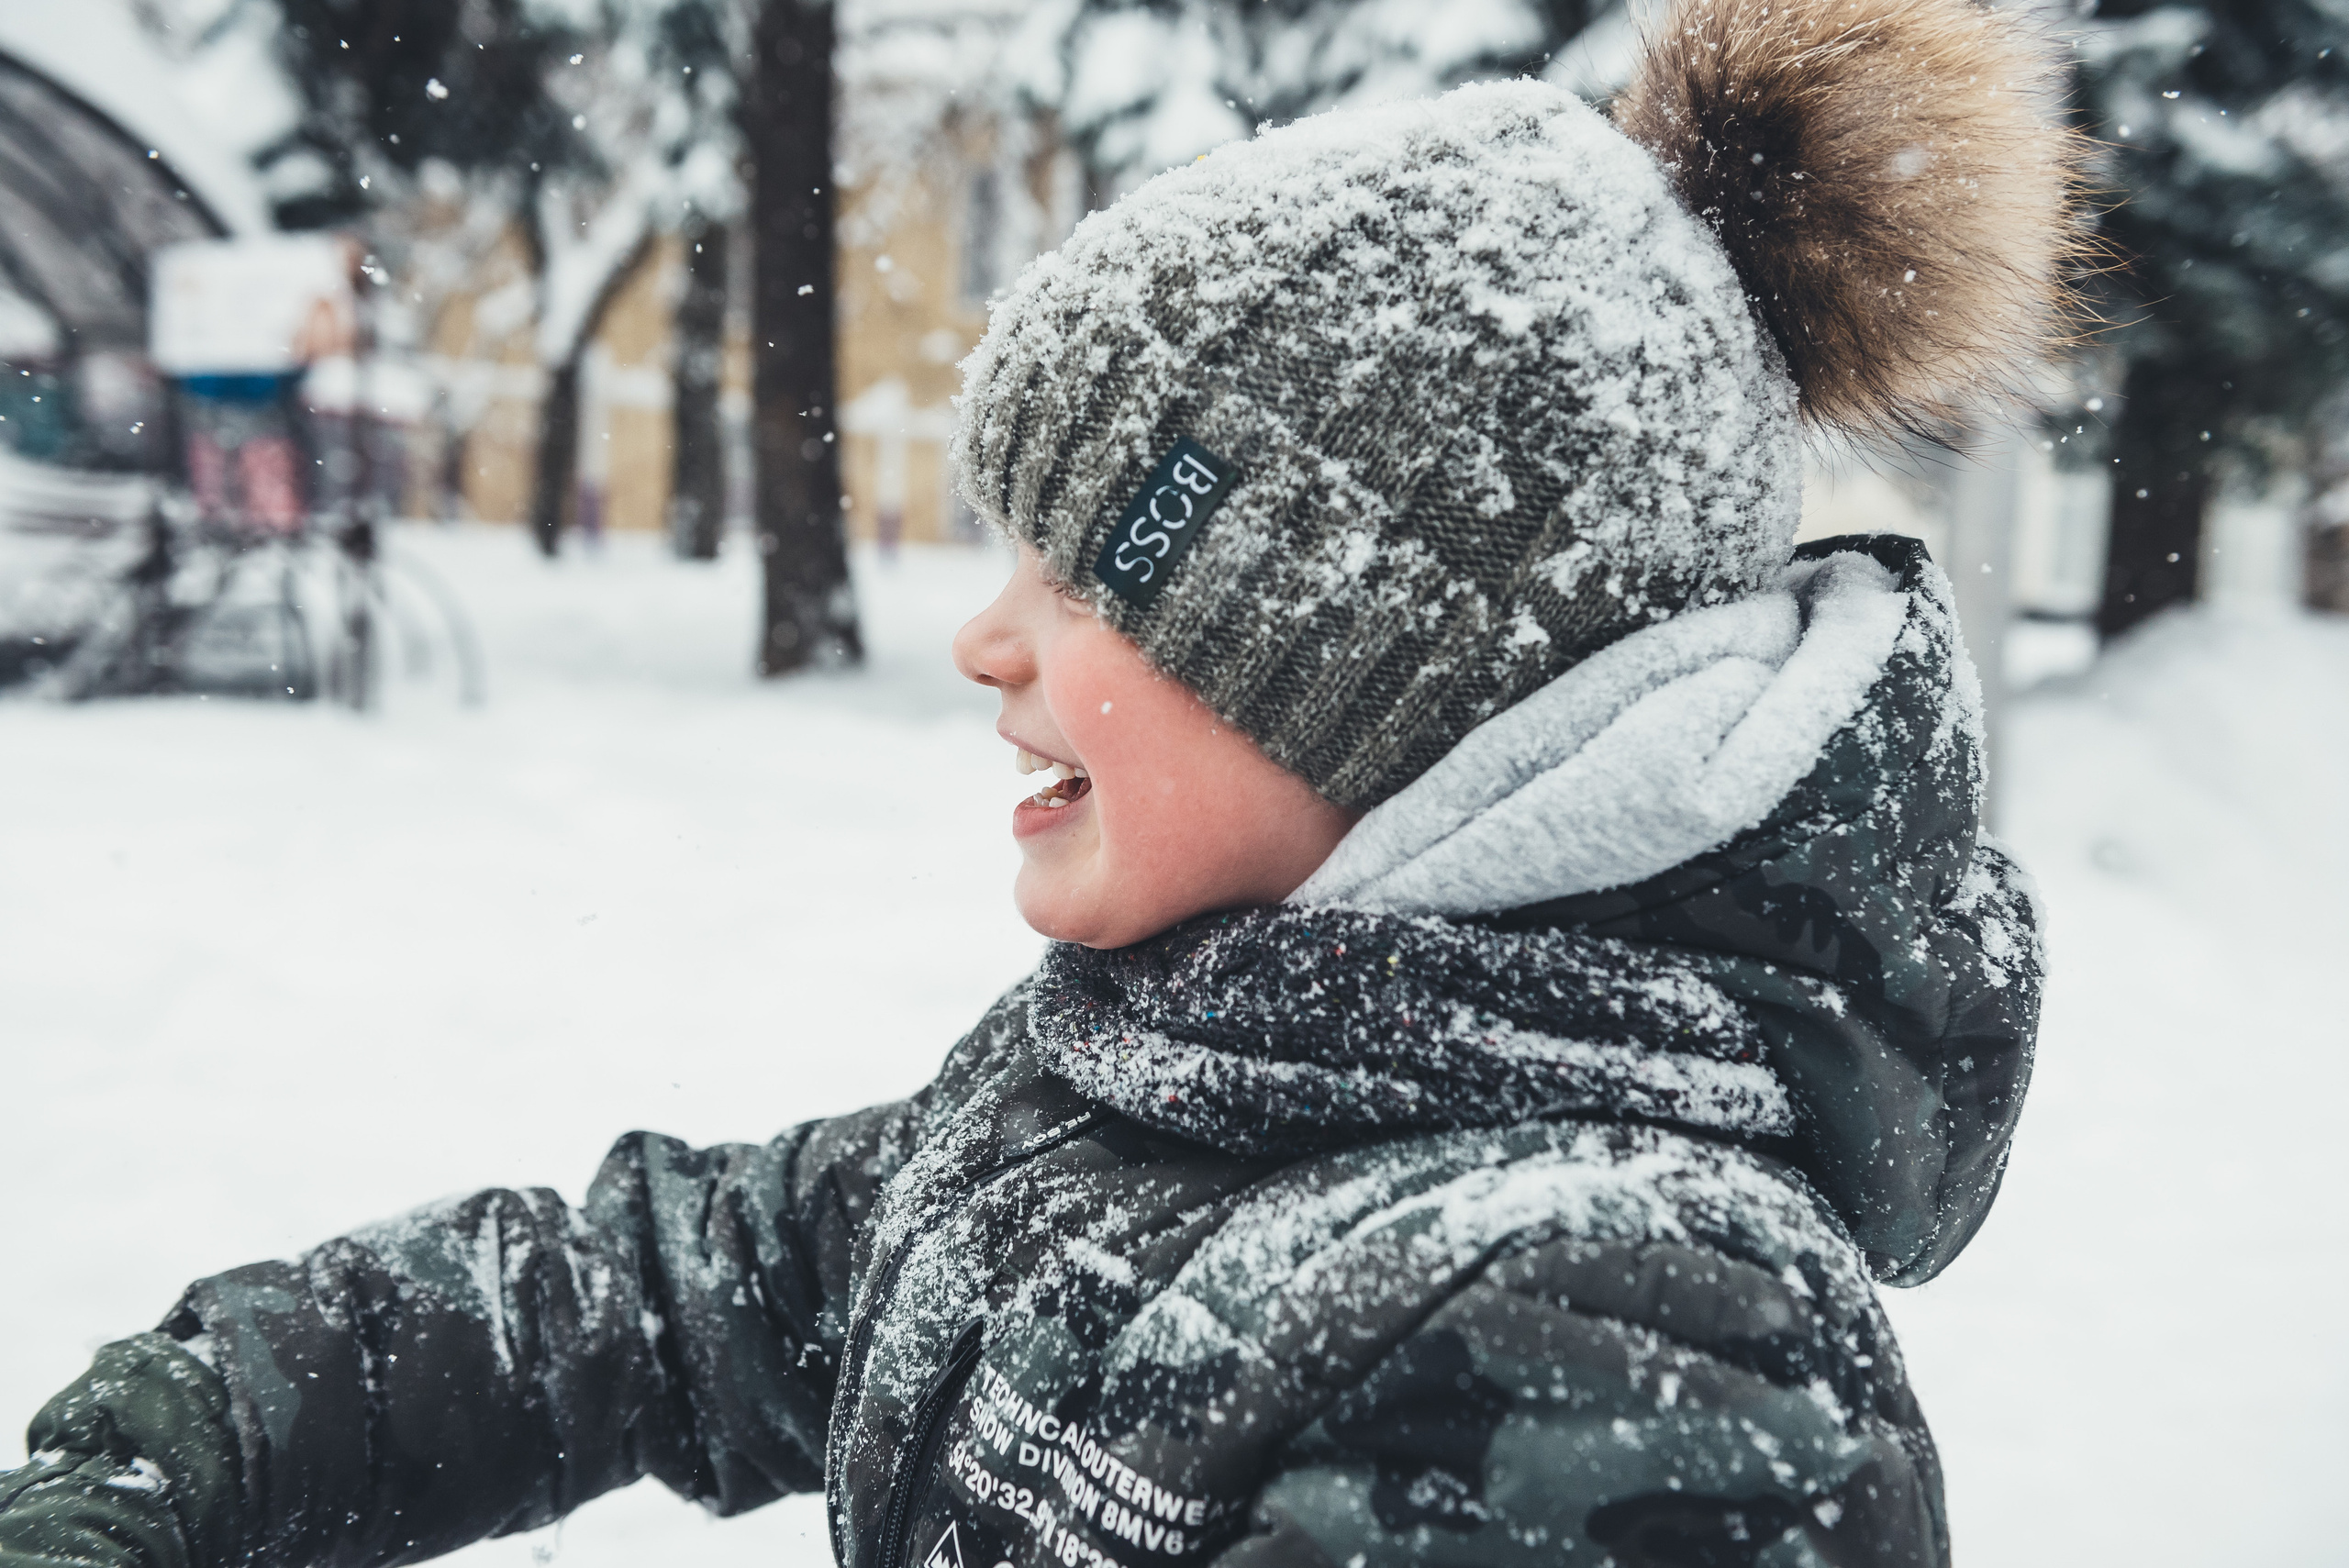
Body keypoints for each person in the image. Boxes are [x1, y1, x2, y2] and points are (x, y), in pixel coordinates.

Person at [0, 0, 2076, 1562]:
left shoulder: (1627, 1342)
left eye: (1081, 569)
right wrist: (197, 1439)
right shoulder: (1172, 1086)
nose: (985, 641)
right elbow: (651, 1292)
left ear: (1370, 660)